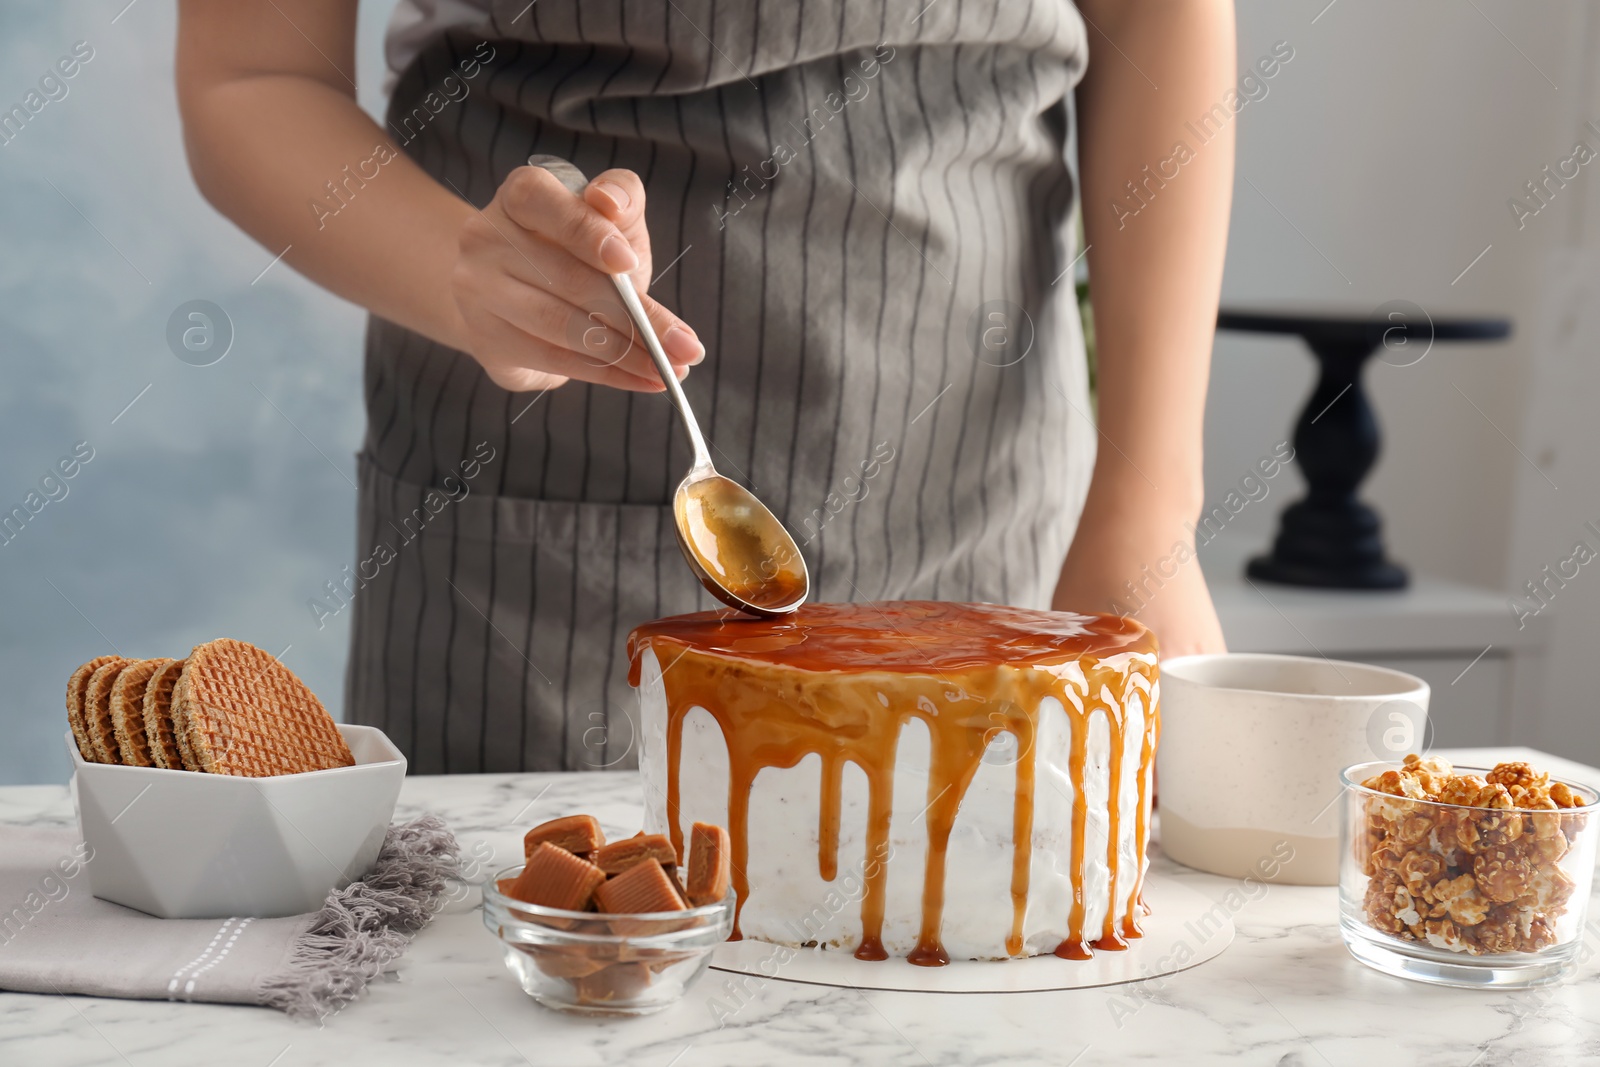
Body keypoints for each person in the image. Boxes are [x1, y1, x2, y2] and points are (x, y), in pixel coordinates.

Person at [176, 0, 1232, 774]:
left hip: (982, 484)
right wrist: (463, 274)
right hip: (529, 519)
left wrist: (1148, 515)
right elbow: (251, 77)